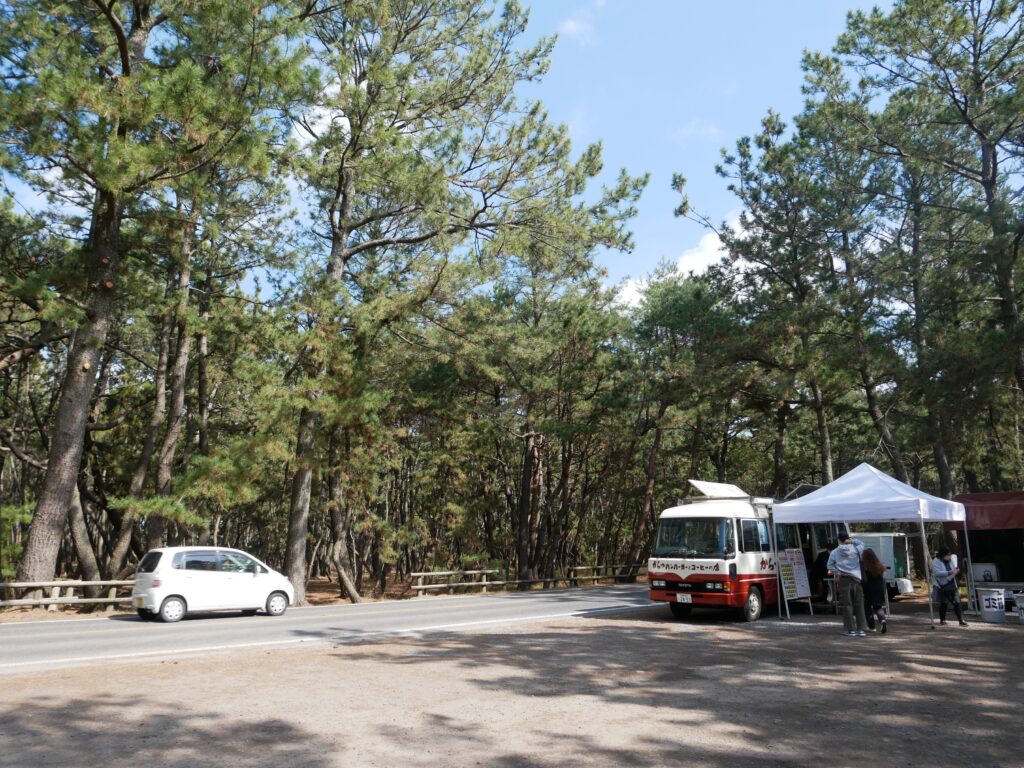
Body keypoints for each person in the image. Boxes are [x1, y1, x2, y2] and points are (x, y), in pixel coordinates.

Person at [827, 529, 867, 637]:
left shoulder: (835, 552)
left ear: (839, 540)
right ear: (847, 539)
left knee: (847, 605)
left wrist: (838, 572)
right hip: (857, 580)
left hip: (844, 579)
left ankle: (850, 629)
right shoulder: (856, 549)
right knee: (859, 604)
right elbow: (862, 543)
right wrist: (852, 541)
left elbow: (829, 566)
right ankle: (861, 629)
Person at [932, 546, 968, 627]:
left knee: (956, 602)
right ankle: (943, 620)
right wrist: (949, 572)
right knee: (944, 602)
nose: (949, 556)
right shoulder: (936, 561)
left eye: (949, 554)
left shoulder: (951, 559)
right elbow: (937, 573)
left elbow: (955, 567)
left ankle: (961, 620)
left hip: (952, 583)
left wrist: (956, 571)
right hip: (942, 584)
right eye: (947, 555)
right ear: (942, 554)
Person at [861, 548, 887, 634]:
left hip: (867, 589)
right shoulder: (879, 565)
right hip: (878, 589)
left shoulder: (864, 566)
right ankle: (882, 621)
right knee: (878, 607)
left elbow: (862, 578)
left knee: (867, 608)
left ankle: (872, 627)